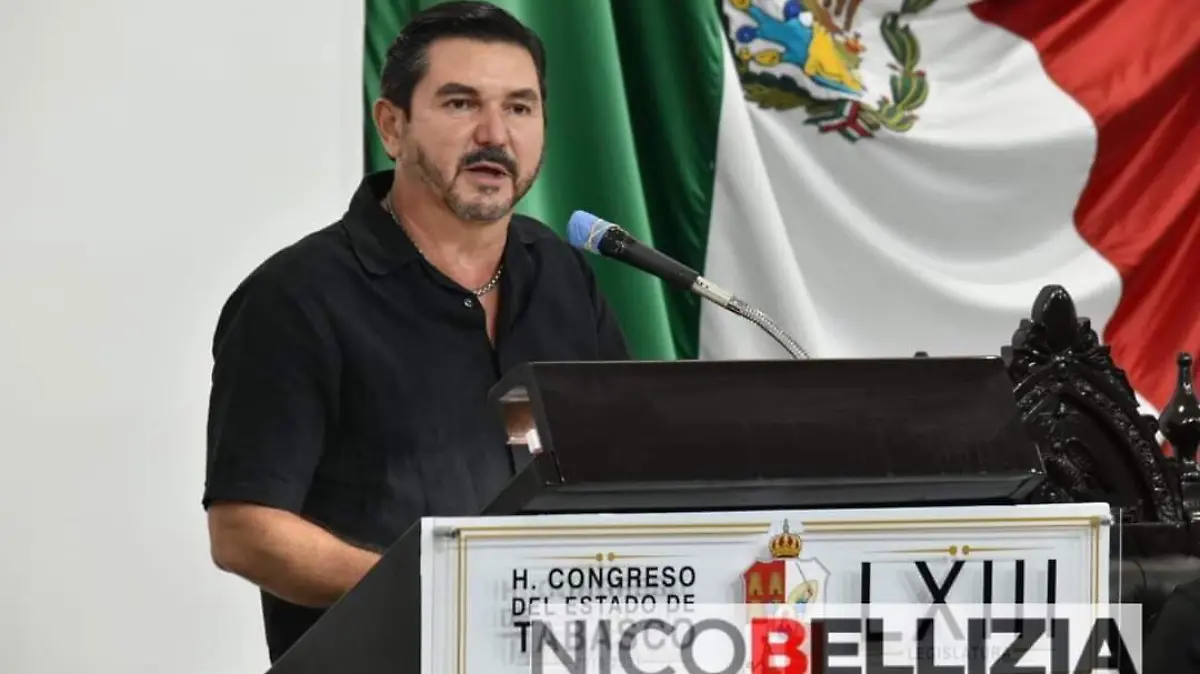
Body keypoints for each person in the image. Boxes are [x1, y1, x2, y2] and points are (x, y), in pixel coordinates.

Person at [201, 1, 629, 662]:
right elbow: (243, 531)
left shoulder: (562, 277)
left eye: (519, 107)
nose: (495, 134)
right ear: (391, 126)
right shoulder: (296, 298)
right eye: (460, 103)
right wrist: (447, 590)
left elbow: (617, 473)